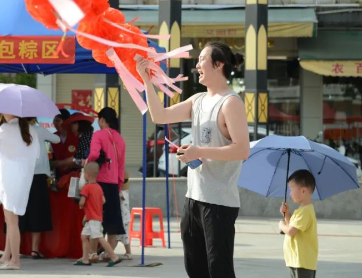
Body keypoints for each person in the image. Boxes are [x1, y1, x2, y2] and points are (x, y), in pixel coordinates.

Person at [136, 41, 250, 278]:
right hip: (193, 198)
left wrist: (199, 151)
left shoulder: (230, 102)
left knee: (219, 270)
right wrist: (147, 81)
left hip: (219, 203)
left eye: (202, 60)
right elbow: (160, 116)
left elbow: (242, 150)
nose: (197, 65)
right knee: (195, 268)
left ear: (218, 64)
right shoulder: (197, 100)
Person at [0, 113, 40, 270]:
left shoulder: (5, 128)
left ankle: (15, 260)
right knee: (10, 220)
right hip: (23, 178)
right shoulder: (31, 130)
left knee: (11, 221)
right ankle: (6, 256)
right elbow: (36, 155)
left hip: (9, 178)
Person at [86, 107, 126, 259]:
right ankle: (109, 253)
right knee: (112, 220)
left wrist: (87, 162)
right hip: (114, 183)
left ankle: (93, 252)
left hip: (99, 182)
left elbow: (94, 153)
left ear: (102, 119)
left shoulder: (98, 135)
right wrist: (119, 185)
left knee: (96, 218)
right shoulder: (120, 138)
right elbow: (121, 165)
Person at [19, 117, 61, 259]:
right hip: (38, 176)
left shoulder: (16, 131)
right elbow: (57, 139)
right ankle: (34, 250)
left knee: (19, 212)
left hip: (20, 176)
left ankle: (15, 248)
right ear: (33, 118)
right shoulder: (39, 130)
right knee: (37, 212)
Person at [74, 162, 121, 267]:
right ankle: (85, 259)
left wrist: (81, 205)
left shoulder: (86, 188)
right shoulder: (99, 187)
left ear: (86, 175)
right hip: (95, 218)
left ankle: (114, 256)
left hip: (92, 219)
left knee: (99, 237)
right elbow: (103, 201)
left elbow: (82, 202)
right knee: (84, 236)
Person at [279, 170, 318, 278]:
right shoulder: (301, 211)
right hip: (296, 260)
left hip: (302, 262)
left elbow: (291, 231)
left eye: (292, 189)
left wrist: (281, 225)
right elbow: (292, 226)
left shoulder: (305, 211)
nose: (290, 193)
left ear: (303, 190)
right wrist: (286, 215)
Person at [52, 109, 78, 178]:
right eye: (54, 120)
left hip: (75, 174)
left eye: (58, 121)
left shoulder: (76, 135)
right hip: (59, 175)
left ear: (66, 121)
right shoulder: (53, 137)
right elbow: (53, 157)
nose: (55, 123)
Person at [115, 171, 132, 260]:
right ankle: (127, 252)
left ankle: (128, 252)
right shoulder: (125, 191)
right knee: (119, 236)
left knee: (123, 236)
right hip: (123, 217)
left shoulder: (122, 193)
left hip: (123, 218)